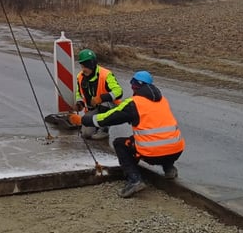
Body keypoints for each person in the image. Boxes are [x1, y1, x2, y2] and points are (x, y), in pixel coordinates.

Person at [71, 70, 184, 198]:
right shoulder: (163, 100)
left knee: (120, 143)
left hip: (152, 153)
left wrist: (82, 120)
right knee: (162, 140)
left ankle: (135, 180)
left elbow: (107, 118)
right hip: (176, 150)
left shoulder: (133, 103)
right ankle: (169, 169)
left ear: (135, 86)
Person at [74, 48, 123, 139]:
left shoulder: (106, 74)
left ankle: (104, 129)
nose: (83, 69)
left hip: (109, 107)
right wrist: (79, 103)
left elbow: (119, 92)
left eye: (85, 67)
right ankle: (96, 124)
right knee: (86, 134)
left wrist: (101, 98)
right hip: (93, 109)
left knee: (104, 105)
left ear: (92, 65)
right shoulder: (80, 77)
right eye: (82, 66)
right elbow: (78, 93)